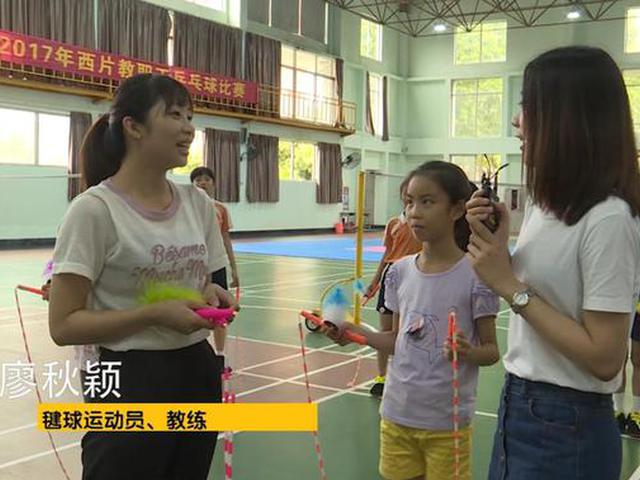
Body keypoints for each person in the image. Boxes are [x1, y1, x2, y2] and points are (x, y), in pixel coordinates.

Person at [48, 73, 237, 480]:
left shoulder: (198, 204)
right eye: (175, 115)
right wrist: (153, 315)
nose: (189, 128)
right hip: (126, 375)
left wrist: (213, 297)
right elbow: (63, 325)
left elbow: (210, 283)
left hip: (196, 369)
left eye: (190, 117)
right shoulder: (94, 211)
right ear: (133, 127)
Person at [465, 47, 640, 479]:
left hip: (567, 424)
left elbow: (606, 357)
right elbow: (548, 298)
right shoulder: (545, 206)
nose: (516, 120)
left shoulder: (608, 218)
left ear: (565, 118)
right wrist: (499, 250)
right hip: (518, 404)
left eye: (527, 105)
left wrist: (510, 286)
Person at [328, 161, 499, 480]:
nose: (414, 212)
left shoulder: (476, 276)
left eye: (427, 202)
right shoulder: (399, 272)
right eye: (408, 202)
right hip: (396, 417)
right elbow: (397, 341)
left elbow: (491, 351)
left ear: (456, 209)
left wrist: (469, 352)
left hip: (447, 425)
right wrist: (353, 331)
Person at [190, 166, 239, 360]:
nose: (202, 183)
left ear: (214, 183)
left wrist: (234, 268)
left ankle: (220, 355)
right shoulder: (186, 208)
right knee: (195, 308)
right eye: (197, 180)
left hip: (216, 265)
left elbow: (225, 239)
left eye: (206, 179)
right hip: (195, 268)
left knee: (221, 312)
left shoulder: (220, 208)